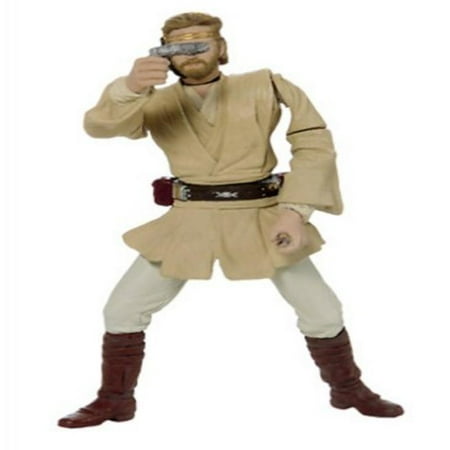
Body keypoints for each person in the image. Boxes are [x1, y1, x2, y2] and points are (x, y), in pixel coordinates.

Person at [58, 12, 403, 428]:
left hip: (260, 216)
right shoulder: (152, 100)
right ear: (165, 54)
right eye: (179, 45)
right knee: (122, 308)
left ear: (221, 48)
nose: (191, 52)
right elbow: (99, 126)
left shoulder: (264, 84)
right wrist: (128, 88)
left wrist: (295, 210)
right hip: (190, 219)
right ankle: (114, 399)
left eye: (200, 42)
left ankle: (347, 388)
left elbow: (313, 140)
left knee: (322, 309)